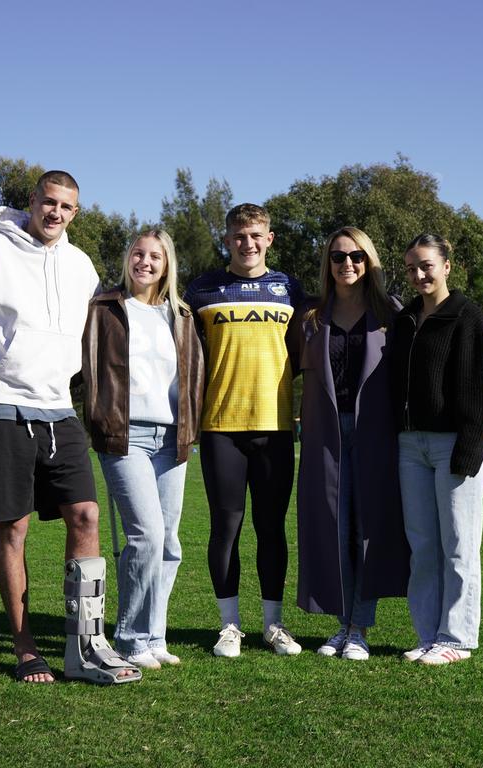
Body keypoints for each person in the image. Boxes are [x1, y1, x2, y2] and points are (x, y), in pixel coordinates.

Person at [0, 170, 140, 685]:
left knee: (87, 515)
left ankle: (85, 644)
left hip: (57, 408)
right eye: (50, 203)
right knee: (15, 527)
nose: (57, 214)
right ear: (32, 201)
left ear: (76, 212)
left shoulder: (80, 264)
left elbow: (99, 334)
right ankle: (25, 649)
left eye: (67, 208)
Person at [184, 203, 307, 658]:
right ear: (227, 240)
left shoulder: (289, 288)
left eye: (256, 235)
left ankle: (273, 625)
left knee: (271, 528)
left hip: (275, 427)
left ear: (269, 238)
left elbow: (302, 353)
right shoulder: (201, 290)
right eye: (239, 237)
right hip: (220, 428)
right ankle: (230, 625)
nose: (248, 244)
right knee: (226, 528)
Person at [81, 229, 205, 669]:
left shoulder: (182, 315)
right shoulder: (103, 309)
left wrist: (190, 428)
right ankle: (131, 637)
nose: (145, 262)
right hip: (123, 435)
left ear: (167, 263)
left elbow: (192, 376)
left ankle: (155, 636)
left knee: (169, 543)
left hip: (173, 438)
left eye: (155, 256)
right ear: (127, 259)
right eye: (138, 253)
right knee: (146, 535)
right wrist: (93, 414)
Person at [296, 227, 410, 661]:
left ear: (370, 261)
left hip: (376, 435)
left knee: (369, 531)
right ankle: (341, 624)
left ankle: (360, 626)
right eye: (339, 256)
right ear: (328, 263)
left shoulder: (391, 312)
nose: (348, 264)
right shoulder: (310, 317)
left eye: (357, 256)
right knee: (333, 528)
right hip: (325, 435)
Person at [389, 233, 483, 665]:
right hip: (410, 445)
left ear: (446, 266)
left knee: (459, 545)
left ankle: (456, 639)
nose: (418, 274)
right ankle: (429, 634)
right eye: (411, 267)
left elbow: (480, 391)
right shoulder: (405, 319)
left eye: (426, 265)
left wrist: (469, 451)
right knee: (423, 546)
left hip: (454, 445)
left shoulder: (467, 316)